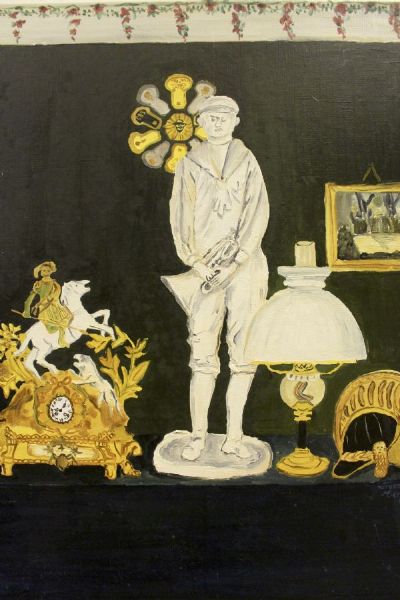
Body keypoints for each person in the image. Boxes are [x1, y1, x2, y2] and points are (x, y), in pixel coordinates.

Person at [166, 95, 269, 461]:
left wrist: (237, 260)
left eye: (224, 116)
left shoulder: (248, 160)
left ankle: (234, 436)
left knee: (243, 352)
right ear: (201, 123)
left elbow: (258, 212)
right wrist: (196, 262)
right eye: (211, 117)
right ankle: (198, 436)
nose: (218, 122)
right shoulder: (190, 163)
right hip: (205, 269)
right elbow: (180, 214)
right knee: (202, 353)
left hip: (246, 268)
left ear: (236, 121)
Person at [22, 261, 72, 348]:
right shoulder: (38, 284)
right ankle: (59, 339)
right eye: (43, 270)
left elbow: (54, 297)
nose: (45, 272)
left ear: (51, 271)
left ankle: (61, 338)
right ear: (41, 272)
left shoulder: (55, 284)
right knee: (53, 327)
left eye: (48, 270)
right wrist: (26, 311)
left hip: (54, 306)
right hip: (44, 310)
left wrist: (39, 304)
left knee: (68, 316)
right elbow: (30, 298)